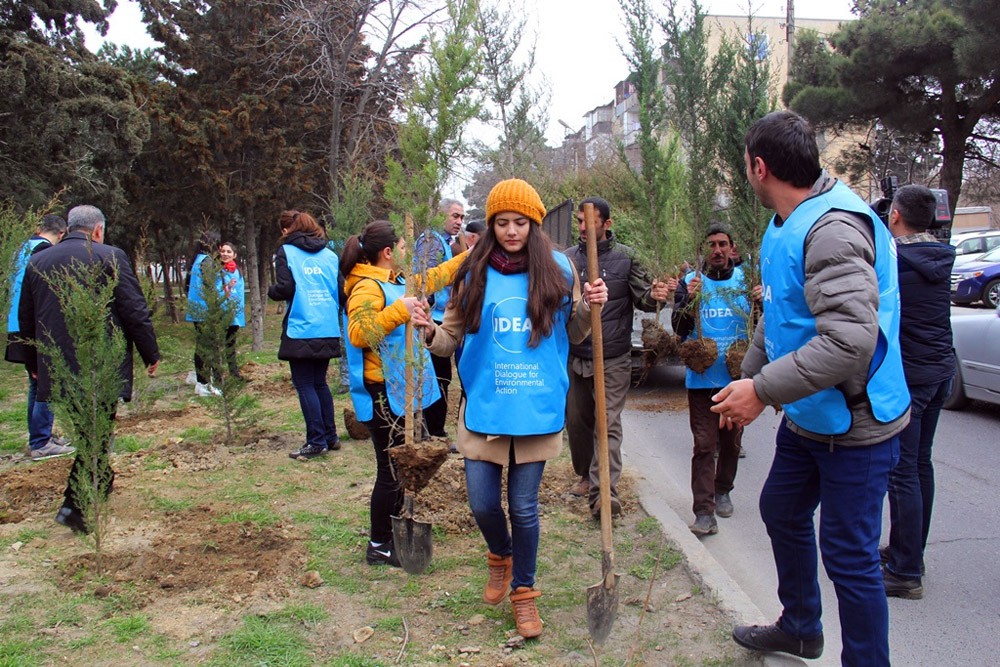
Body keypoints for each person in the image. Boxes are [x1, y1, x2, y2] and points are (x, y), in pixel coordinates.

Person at [712, 111, 909, 665]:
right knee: (781, 508)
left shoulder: (833, 229)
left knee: (849, 556)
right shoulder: (785, 220)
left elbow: (850, 343)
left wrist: (764, 391)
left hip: (858, 421)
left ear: (759, 167)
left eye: (744, 165)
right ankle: (800, 628)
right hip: (810, 413)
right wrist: (746, 379)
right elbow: (780, 319)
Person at [414, 179, 608, 639]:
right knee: (482, 504)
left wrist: (590, 308)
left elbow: (576, 333)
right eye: (502, 222)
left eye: (520, 222)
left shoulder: (559, 268)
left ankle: (524, 591)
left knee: (523, 507)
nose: (511, 231)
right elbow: (449, 341)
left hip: (536, 408)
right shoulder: (472, 273)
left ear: (534, 224)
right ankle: (500, 554)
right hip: (485, 405)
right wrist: (427, 331)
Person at [19, 205, 159, 534]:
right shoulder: (110, 256)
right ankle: (74, 506)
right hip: (100, 361)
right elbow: (133, 308)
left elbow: (27, 315)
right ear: (97, 230)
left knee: (90, 431)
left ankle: (101, 481)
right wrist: (150, 352)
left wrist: (32, 362)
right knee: (95, 433)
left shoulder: (39, 260)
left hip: (56, 361)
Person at [341, 219, 466, 568]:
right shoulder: (367, 286)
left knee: (398, 470)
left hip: (402, 386)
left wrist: (473, 254)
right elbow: (360, 333)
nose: (407, 252)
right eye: (403, 246)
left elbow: (438, 276)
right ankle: (379, 544)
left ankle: (391, 532)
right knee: (390, 471)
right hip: (383, 391)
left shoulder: (396, 280)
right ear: (387, 252)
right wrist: (401, 310)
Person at [563, 197, 669, 515]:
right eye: (579, 221)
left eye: (589, 221)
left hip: (613, 358)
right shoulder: (567, 260)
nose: (582, 227)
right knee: (578, 423)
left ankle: (603, 493)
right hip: (576, 356)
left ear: (607, 224)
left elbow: (644, 299)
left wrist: (658, 296)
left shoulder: (627, 258)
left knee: (606, 424)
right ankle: (585, 475)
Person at [882, 185, 955, 600]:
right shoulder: (940, 256)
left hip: (911, 378)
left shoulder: (897, 261)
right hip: (940, 372)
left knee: (902, 471)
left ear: (895, 215)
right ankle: (907, 551)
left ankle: (906, 571)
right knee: (919, 465)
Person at [668, 223, 758, 536]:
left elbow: (762, 324)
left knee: (731, 443)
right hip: (701, 379)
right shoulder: (691, 282)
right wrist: (687, 302)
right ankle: (703, 512)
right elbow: (678, 328)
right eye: (711, 245)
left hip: (735, 379)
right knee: (704, 445)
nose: (717, 250)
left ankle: (723, 489)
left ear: (731, 247)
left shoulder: (746, 281)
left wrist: (760, 301)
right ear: (704, 249)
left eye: (722, 244)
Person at [268, 210, 342, 460]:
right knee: (320, 382)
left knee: (304, 384)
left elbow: (286, 287)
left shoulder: (286, 252)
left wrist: (272, 291)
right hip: (327, 326)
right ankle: (331, 437)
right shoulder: (331, 255)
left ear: (288, 230)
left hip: (301, 326)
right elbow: (342, 292)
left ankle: (316, 440)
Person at [5, 214, 74, 460]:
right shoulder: (44, 253)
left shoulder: (23, 248)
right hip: (35, 326)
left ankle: (40, 435)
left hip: (17, 325)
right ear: (62, 233)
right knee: (48, 383)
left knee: (37, 383)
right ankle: (41, 442)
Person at [414, 198, 465, 442]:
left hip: (441, 317)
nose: (459, 221)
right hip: (433, 320)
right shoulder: (432, 241)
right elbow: (427, 279)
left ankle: (435, 430)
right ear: (441, 216)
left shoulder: (444, 242)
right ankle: (434, 432)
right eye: (455, 216)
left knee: (442, 378)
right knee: (437, 379)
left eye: (462, 217)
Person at [185, 231, 223, 396]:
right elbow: (210, 286)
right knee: (206, 348)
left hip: (197, 309)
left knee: (202, 345)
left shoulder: (197, 260)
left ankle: (199, 378)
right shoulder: (207, 261)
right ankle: (203, 383)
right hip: (205, 310)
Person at [218, 241, 246, 381]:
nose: (225, 254)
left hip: (234, 314)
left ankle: (234, 374)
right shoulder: (217, 270)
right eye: (223, 251)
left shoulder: (238, 271)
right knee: (216, 345)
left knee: (230, 344)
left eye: (229, 252)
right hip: (220, 314)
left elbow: (239, 293)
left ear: (234, 255)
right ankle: (214, 374)